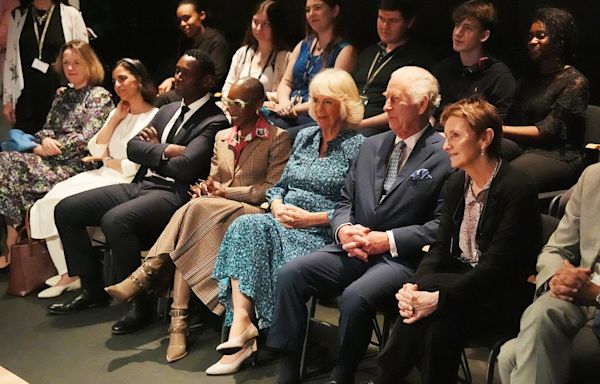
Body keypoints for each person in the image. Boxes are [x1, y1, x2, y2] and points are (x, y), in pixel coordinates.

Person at [269, 66, 452, 384]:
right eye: (385, 98)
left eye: (395, 99)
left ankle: (343, 373)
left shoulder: (444, 154)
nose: (385, 107)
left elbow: (440, 225)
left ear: (422, 105)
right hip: (354, 245)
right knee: (291, 274)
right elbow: (344, 202)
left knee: (355, 297)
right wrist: (343, 230)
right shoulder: (372, 145)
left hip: (400, 258)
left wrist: (388, 239)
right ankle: (288, 365)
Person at [104, 77, 292, 362]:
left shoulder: (277, 138)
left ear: (257, 105)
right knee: (194, 218)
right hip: (214, 212)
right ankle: (176, 323)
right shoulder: (222, 137)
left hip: (254, 216)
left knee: (195, 211)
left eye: (238, 103)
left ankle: (150, 275)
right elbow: (214, 178)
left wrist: (225, 191)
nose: (231, 108)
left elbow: (272, 188)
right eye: (228, 102)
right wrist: (206, 187)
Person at [47, 49, 229, 338]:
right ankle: (92, 289)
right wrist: (168, 150)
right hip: (143, 185)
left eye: (186, 73)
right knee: (66, 209)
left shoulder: (214, 120)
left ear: (207, 81)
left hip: (176, 194)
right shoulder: (168, 108)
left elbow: (186, 169)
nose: (177, 77)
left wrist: (154, 150)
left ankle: (138, 304)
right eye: (177, 70)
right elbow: (133, 148)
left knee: (116, 220)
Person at [206, 68, 365, 375]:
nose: (318, 109)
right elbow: (279, 186)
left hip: (322, 234)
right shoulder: (305, 136)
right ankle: (242, 323)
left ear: (345, 105)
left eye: (327, 102)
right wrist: (277, 205)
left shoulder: (360, 147)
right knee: (243, 225)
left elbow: (360, 210)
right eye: (315, 101)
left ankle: (284, 344)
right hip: (283, 221)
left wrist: (314, 218)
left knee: (271, 256)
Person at [373, 96, 542, 384]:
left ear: (485, 138)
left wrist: (438, 298)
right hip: (460, 282)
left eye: (455, 136)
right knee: (418, 311)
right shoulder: (456, 182)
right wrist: (414, 286)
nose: (445, 144)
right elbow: (439, 248)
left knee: (435, 324)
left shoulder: (517, 188)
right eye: (445, 135)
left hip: (501, 293)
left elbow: (496, 268)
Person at [29, 58, 158, 298]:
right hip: (104, 172)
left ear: (139, 80)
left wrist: (110, 160)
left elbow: (135, 165)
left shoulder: (154, 116)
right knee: (51, 199)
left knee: (65, 203)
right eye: (115, 81)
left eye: (123, 79)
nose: (118, 85)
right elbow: (95, 149)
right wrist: (115, 120)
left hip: (124, 182)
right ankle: (69, 271)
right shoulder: (120, 112)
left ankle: (77, 276)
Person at [0, 39, 112, 270]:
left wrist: (49, 146)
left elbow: (86, 139)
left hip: (78, 164)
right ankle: (13, 238)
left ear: (89, 64)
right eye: (67, 63)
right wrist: (43, 142)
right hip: (49, 158)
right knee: (5, 163)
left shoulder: (99, 96)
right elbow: (47, 128)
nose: (71, 68)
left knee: (9, 168)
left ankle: (13, 242)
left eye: (77, 62)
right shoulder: (63, 94)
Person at [497, 163, 600, 384]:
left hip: (595, 301)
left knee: (510, 356)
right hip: (578, 299)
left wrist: (596, 294)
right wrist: (557, 278)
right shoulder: (593, 177)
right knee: (541, 313)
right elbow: (557, 248)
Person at [503, 8, 589, 193]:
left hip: (558, 153)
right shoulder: (530, 77)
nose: (532, 42)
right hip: (524, 147)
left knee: (508, 180)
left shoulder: (575, 81)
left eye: (541, 36)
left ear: (559, 40)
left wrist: (498, 129)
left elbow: (547, 132)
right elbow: (512, 116)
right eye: (531, 36)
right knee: (475, 160)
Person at [264, 0, 357, 129]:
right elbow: (286, 82)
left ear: (334, 11)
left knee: (276, 132)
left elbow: (331, 96)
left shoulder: (345, 50)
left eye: (317, 8)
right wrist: (285, 104)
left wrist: (294, 109)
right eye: (308, 10)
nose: (311, 14)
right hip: (289, 111)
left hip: (315, 116)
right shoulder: (303, 44)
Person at [3, 0, 88, 135]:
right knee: (26, 146)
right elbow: (11, 58)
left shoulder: (71, 15)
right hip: (27, 96)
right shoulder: (19, 15)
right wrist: (8, 99)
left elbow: (84, 58)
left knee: (54, 144)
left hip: (61, 94)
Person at [353, 0, 433, 136]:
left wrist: (359, 124)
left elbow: (404, 109)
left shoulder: (416, 59)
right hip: (352, 117)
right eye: (381, 19)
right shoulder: (369, 52)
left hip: (379, 126)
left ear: (409, 22)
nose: (385, 26)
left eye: (393, 21)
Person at [433, 0, 515, 120]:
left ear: (484, 36)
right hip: (440, 136)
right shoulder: (444, 68)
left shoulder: (499, 76)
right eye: (457, 25)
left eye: (467, 28)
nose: (458, 33)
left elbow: (497, 124)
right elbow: (430, 112)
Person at [156, 0, 230, 105]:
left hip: (203, 94)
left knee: (165, 99)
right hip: (186, 91)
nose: (182, 24)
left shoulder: (216, 41)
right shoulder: (184, 42)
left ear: (202, 15)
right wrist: (172, 80)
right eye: (180, 20)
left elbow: (216, 78)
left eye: (186, 18)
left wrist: (176, 82)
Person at [221, 0, 289, 102]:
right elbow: (227, 86)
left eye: (266, 24)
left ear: (276, 25)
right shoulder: (242, 53)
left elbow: (286, 93)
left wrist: (254, 100)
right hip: (235, 108)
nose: (258, 28)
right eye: (255, 22)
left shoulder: (285, 57)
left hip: (265, 112)